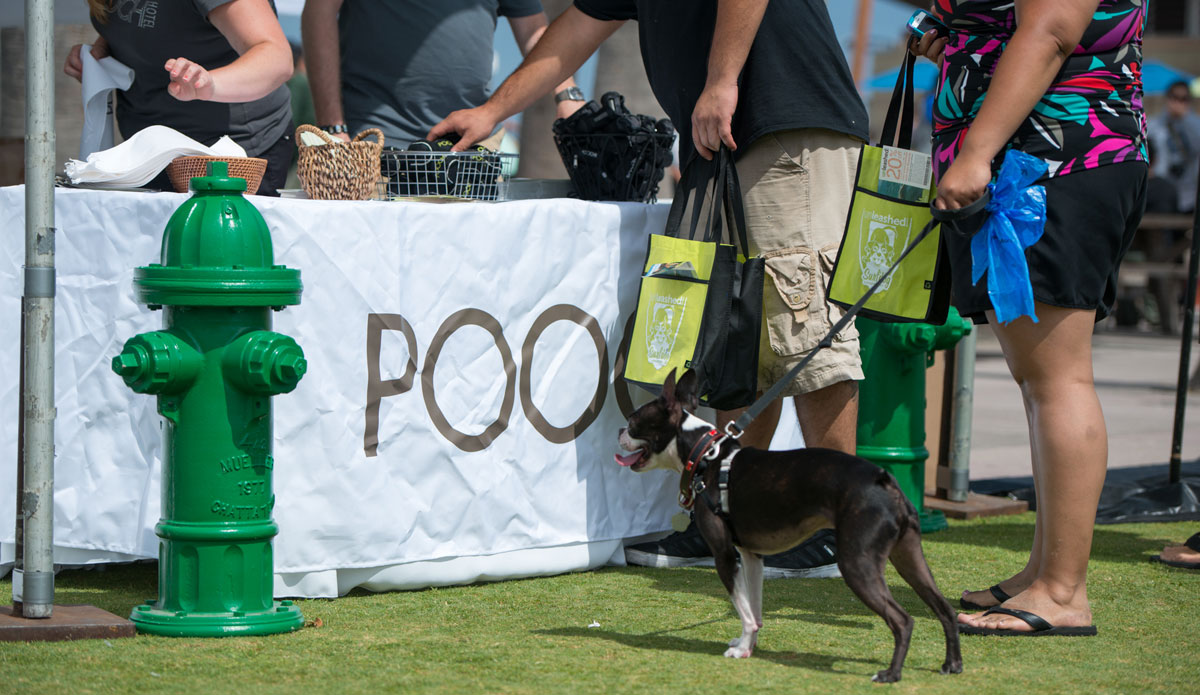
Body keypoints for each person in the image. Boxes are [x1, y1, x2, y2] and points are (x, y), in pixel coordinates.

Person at [430, 0, 869, 579]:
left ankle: (841, 525)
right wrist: (492, 112)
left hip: (783, 127)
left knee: (806, 323)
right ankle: (731, 515)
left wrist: (720, 82)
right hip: (731, 137)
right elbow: (575, 31)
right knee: (732, 329)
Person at [913, 0, 1148, 635]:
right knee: (1039, 381)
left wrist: (977, 152)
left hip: (1054, 161)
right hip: (1038, 162)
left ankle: (1064, 592)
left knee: (1058, 381)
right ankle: (1045, 570)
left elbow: (1050, 30)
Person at [65, 0, 296, 196]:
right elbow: (144, 23)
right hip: (145, 158)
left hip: (230, 157)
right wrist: (101, 53)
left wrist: (210, 85)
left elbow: (277, 59)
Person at [300, 0, 585, 147]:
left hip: (472, 148)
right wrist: (333, 128)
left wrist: (567, 95)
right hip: (373, 144)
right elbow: (318, 12)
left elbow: (533, 30)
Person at [1147, 80, 1200, 215]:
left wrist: (1185, 118)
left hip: (1190, 189)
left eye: (1183, 99)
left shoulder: (1195, 124)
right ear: (1167, 98)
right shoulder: (1155, 124)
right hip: (1164, 187)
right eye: (1174, 97)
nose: (1178, 103)